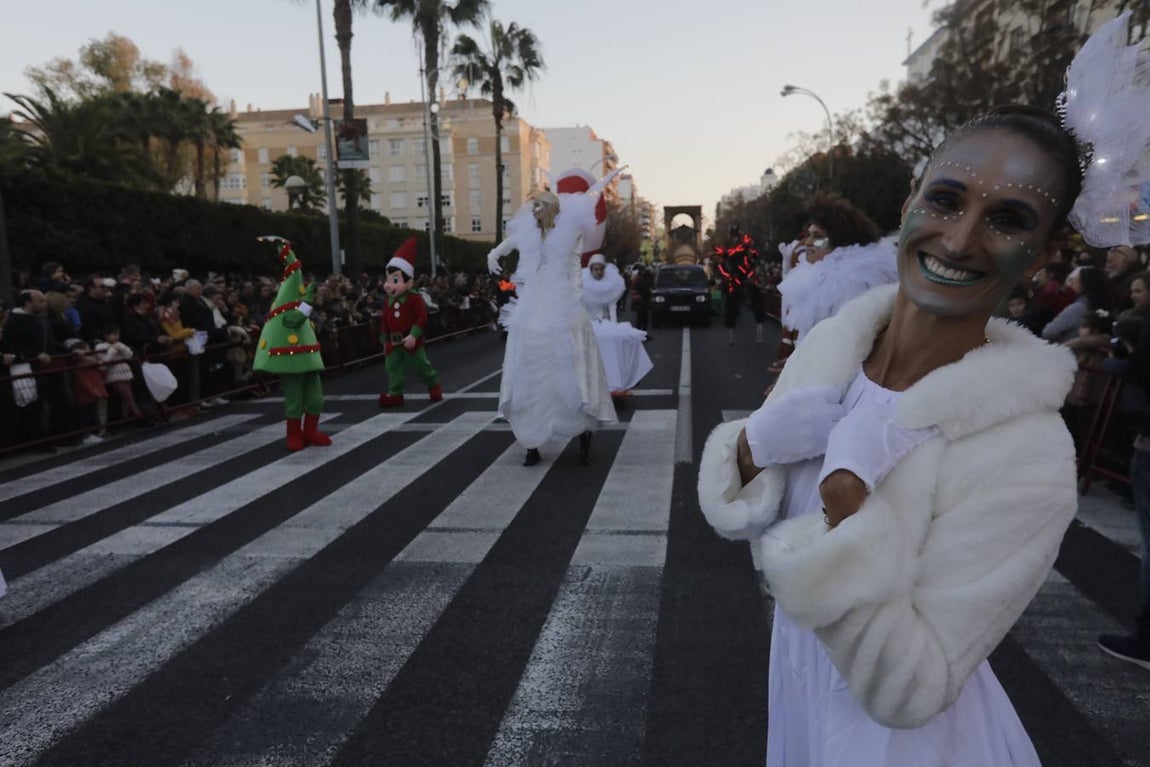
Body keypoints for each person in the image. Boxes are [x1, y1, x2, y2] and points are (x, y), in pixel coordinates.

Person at [698, 103, 1096, 765]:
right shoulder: (832, 345)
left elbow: (914, 686)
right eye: (945, 199)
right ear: (911, 201)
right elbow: (750, 518)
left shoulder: (1029, 452)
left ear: (1045, 254)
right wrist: (749, 448)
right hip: (796, 689)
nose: (961, 239)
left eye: (1007, 219)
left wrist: (849, 503)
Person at [488, 170, 623, 467]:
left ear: (550, 210)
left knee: (571, 373)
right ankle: (531, 442)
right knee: (529, 374)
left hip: (562, 307)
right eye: (533, 206)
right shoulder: (527, 233)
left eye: (539, 206)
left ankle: (582, 433)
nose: (533, 211)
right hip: (532, 309)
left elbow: (575, 270)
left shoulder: (570, 233)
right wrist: (493, 255)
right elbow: (509, 244)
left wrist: (572, 302)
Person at [772, 193, 896, 373]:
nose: (807, 242)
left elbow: (844, 351)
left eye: (817, 236)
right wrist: (796, 366)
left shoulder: (851, 283)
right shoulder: (817, 278)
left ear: (840, 242)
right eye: (809, 235)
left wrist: (801, 372)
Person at [252, 237, 331, 452]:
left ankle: (311, 431)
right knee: (295, 400)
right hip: (289, 361)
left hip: (307, 360)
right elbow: (294, 320)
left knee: (316, 398)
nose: (303, 287)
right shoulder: (286, 311)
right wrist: (308, 303)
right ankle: (294, 434)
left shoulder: (297, 307)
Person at [377, 236, 442, 408]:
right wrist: (384, 339)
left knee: (421, 365)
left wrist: (414, 335)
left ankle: (432, 384)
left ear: (408, 282)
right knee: (392, 368)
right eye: (388, 280)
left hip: (410, 340)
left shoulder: (414, 298)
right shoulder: (387, 301)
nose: (389, 285)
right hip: (393, 341)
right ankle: (395, 393)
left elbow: (422, 317)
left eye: (395, 280)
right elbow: (384, 320)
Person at [581, 253, 653, 396]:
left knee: (620, 344)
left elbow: (612, 308)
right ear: (591, 270)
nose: (599, 272)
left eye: (601, 269)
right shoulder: (584, 285)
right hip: (590, 324)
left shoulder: (612, 285)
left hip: (607, 324)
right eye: (595, 269)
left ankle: (619, 380)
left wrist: (612, 326)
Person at [1041, 265, 1114, 343]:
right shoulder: (1103, 308)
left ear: (1084, 285)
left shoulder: (1078, 307)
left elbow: (1048, 332)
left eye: (1073, 281)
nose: (1069, 285)